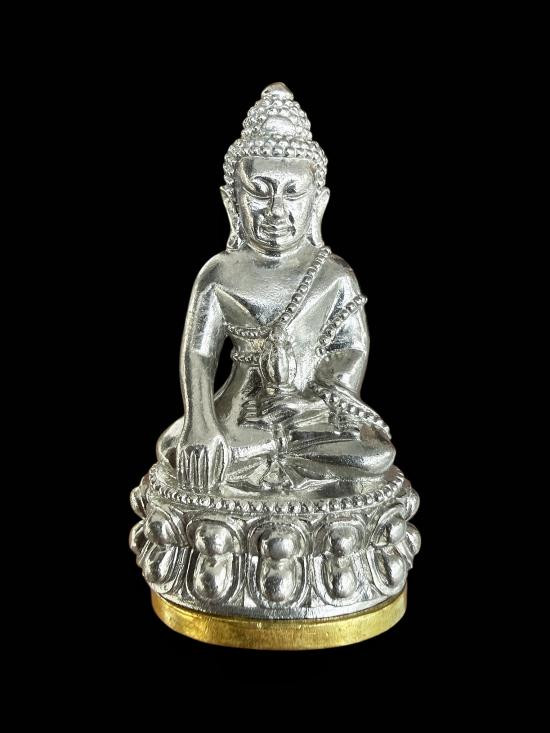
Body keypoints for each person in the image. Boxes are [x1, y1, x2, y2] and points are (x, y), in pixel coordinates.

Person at [156, 83, 395, 493]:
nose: (276, 211)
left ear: (318, 203)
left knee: (373, 455)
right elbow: (198, 355)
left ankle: (274, 456)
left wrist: (312, 396)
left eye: (292, 193)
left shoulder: (333, 275)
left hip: (309, 414)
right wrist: (201, 424)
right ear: (232, 202)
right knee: (175, 450)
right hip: (238, 417)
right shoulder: (219, 273)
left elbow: (352, 348)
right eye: (259, 193)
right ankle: (272, 456)